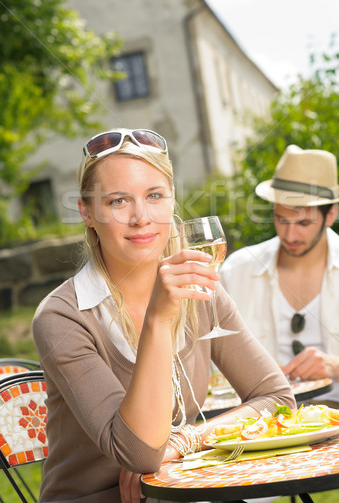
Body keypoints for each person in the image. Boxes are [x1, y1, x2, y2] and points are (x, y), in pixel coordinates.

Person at [32, 128, 294, 503]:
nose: (141, 217)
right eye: (119, 201)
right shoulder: (62, 317)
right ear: (87, 212)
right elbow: (139, 454)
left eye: (154, 196)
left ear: (171, 202)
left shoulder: (200, 289)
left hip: (183, 491)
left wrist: (184, 442)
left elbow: (275, 398)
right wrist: (158, 318)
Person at [220, 144, 339, 503]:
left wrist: (334, 365)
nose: (290, 234)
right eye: (281, 219)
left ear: (331, 214)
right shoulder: (238, 269)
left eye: (303, 222)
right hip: (262, 421)